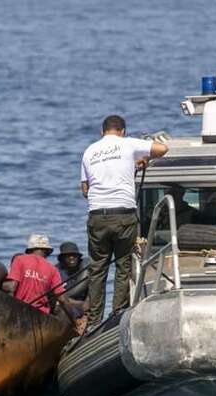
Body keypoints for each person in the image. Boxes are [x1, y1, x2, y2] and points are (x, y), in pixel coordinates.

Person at [80, 114, 168, 327]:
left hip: (97, 217)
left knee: (97, 269)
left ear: (102, 132)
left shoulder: (89, 151)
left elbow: (85, 190)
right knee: (123, 265)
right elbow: (162, 149)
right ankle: (117, 314)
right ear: (123, 131)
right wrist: (140, 161)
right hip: (123, 215)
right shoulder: (128, 144)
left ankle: (93, 321)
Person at [2, 234, 74, 320]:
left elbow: (11, 287)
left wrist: (0, 283)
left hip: (20, 312)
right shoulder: (53, 269)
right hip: (41, 317)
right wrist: (75, 321)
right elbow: (62, 299)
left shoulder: (20, 260)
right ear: (47, 251)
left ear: (30, 249)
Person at [54, 242, 89, 318]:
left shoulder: (86, 269)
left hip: (84, 308)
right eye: (67, 256)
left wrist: (87, 302)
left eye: (74, 255)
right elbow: (57, 297)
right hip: (65, 306)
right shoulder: (56, 272)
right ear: (62, 258)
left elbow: (94, 290)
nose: (71, 258)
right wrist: (78, 303)